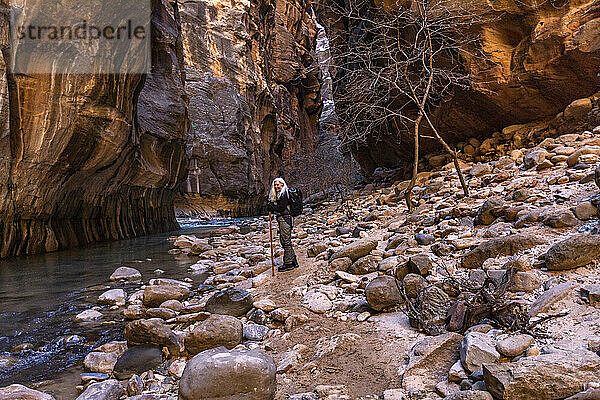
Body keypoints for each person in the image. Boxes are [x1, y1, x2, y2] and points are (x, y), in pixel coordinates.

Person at [266, 177, 299, 272]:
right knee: (284, 240)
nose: (276, 186)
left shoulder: (284, 194)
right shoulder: (280, 194)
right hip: (283, 219)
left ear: (282, 185)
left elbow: (281, 207)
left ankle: (288, 263)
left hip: (285, 219)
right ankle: (293, 261)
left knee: (285, 241)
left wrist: (271, 206)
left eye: (278, 184)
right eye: (275, 185)